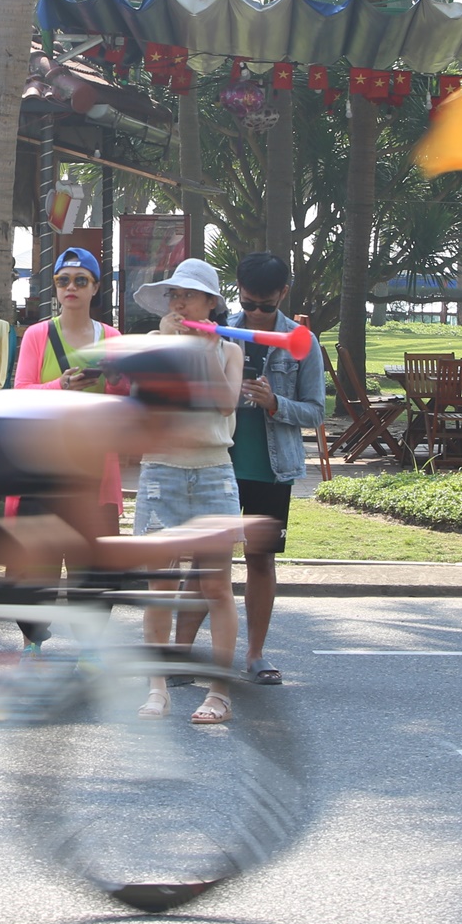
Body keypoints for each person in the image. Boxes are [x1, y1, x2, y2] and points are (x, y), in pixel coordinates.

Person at [0, 344, 276, 868]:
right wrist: (207, 532)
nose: (182, 436)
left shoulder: (102, 426)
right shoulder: (87, 431)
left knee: (6, 577)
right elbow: (99, 552)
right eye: (183, 420)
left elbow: (89, 554)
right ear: (159, 412)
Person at [190, 251, 326, 687]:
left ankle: (255, 654)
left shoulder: (302, 341)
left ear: (283, 295)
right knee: (207, 562)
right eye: (249, 303)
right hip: (218, 462)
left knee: (260, 560)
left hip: (270, 468)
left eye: (266, 306)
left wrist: (274, 403)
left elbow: (316, 411)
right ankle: (183, 654)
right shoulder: (222, 331)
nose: (256, 313)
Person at [129, 259, 244, 723]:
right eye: (173, 296)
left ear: (211, 304)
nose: (179, 303)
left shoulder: (229, 350)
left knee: (216, 587)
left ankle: (219, 692)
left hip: (214, 471)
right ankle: (156, 687)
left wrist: (205, 350)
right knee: (160, 586)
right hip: (162, 472)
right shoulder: (153, 345)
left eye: (189, 295)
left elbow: (222, 404)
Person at [11, 247, 123, 535]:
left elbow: (125, 405)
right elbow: (20, 394)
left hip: (94, 471)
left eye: (81, 280)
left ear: (96, 287)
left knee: (93, 576)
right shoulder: (37, 335)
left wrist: (114, 377)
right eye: (63, 281)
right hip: (43, 469)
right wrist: (60, 386)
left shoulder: (113, 338)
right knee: (37, 575)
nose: (71, 287)